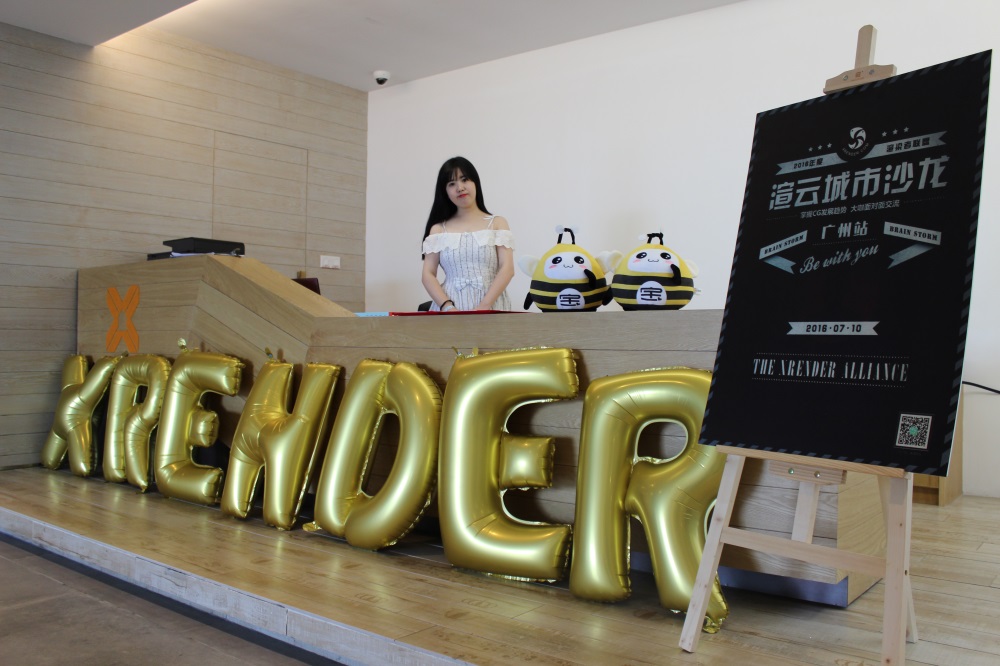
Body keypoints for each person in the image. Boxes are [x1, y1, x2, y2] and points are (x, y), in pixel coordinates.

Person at [421, 157, 514, 311]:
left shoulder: (497, 223)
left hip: (492, 305)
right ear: (445, 191)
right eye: (452, 184)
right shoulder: (438, 229)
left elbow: (507, 268)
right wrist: (447, 307)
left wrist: (485, 305)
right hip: (450, 308)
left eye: (464, 180)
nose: (460, 188)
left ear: (475, 182)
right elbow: (428, 274)